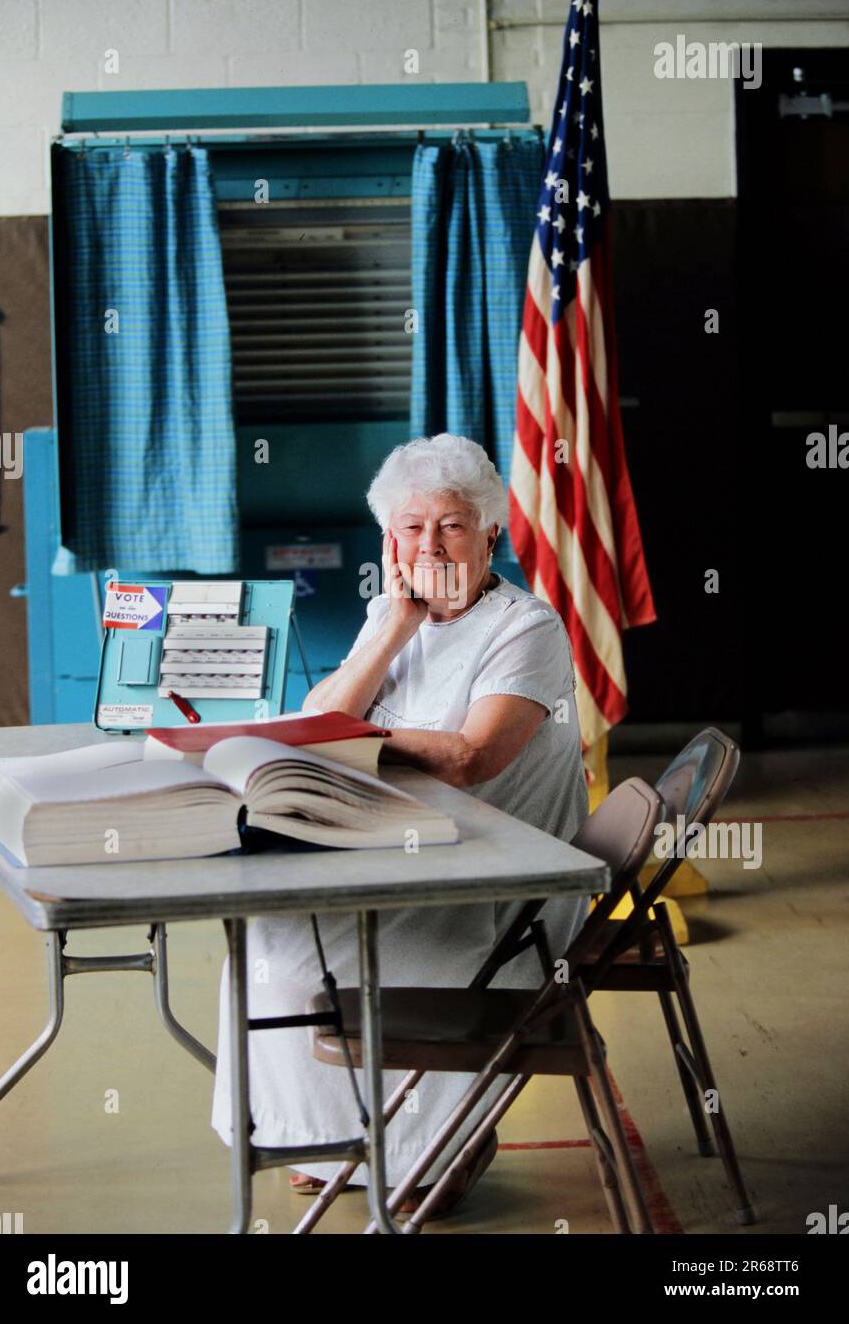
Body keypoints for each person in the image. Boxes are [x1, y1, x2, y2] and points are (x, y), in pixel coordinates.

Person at [211, 433, 591, 1218]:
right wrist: (396, 623)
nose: (430, 544)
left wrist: (353, 741)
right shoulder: (396, 612)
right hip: (408, 855)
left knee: (302, 948)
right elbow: (323, 716)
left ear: (491, 534)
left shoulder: (527, 627)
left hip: (496, 890)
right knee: (266, 942)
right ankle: (320, 1137)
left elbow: (468, 758)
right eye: (410, 528)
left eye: (451, 526)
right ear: (389, 541)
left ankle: (431, 1147)